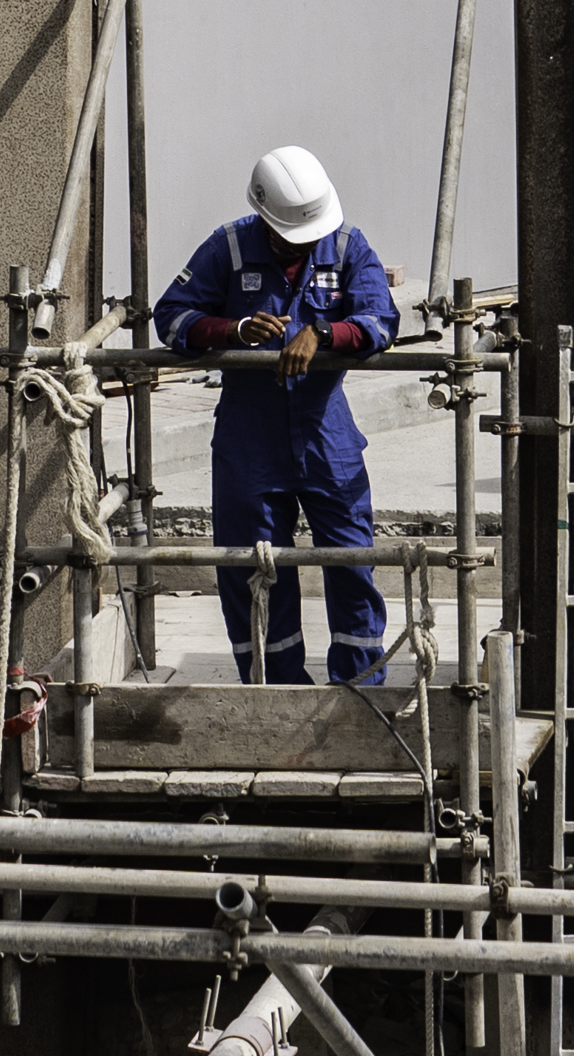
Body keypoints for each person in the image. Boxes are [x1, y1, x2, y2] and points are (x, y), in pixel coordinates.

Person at [152, 145, 400, 685]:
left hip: (324, 429)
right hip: (250, 436)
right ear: (267, 218)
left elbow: (382, 320)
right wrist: (232, 331)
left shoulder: (346, 246)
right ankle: (276, 693)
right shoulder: (228, 248)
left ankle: (360, 694)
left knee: (351, 559)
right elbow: (170, 318)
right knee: (253, 568)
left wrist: (326, 333)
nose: (307, 239)